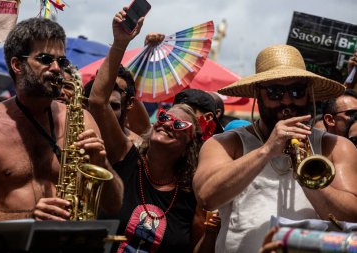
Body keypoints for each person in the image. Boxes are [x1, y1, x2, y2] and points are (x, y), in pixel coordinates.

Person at [193, 44, 357, 253]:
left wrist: (308, 177)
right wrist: (266, 150)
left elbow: (352, 216)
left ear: (309, 93)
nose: (287, 100)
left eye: (297, 90)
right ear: (258, 94)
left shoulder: (336, 146)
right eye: (275, 91)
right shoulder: (226, 143)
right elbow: (207, 197)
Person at [0, 17, 123, 221]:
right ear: (17, 65)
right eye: (45, 59)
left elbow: (114, 205)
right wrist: (28, 217)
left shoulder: (81, 119)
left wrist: (102, 163)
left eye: (62, 62)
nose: (56, 68)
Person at [88, 7, 206, 252]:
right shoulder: (126, 157)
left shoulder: (190, 195)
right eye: (163, 117)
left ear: (190, 143)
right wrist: (121, 42)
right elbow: (98, 101)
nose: (166, 123)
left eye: (179, 124)